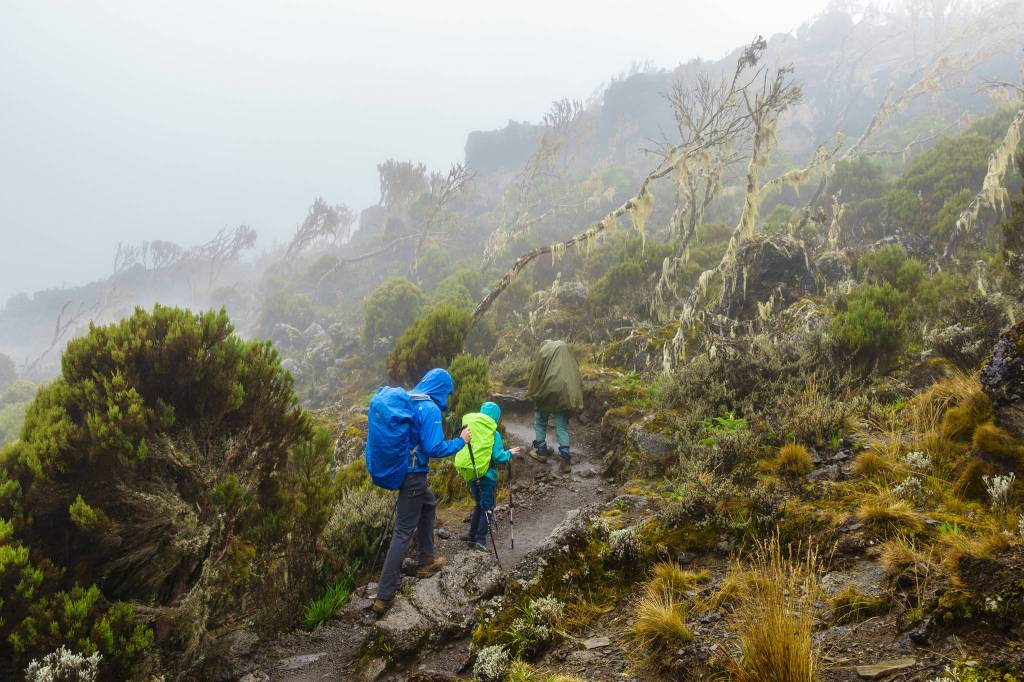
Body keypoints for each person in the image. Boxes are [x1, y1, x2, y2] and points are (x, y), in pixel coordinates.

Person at [372, 368, 471, 616]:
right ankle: (384, 597)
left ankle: (426, 559)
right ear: (440, 387)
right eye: (447, 391)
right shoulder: (430, 409)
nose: (447, 397)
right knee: (403, 531)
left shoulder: (408, 399)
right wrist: (461, 441)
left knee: (428, 504)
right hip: (414, 476)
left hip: (401, 471)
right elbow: (434, 448)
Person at [465, 401, 521, 552]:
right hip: (487, 477)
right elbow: (498, 457)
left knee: (479, 504)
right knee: (488, 507)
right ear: (496, 417)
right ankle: (481, 539)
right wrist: (509, 453)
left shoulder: (470, 429)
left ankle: (471, 537)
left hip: (472, 474)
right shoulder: (493, 433)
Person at [526, 340, 583, 475]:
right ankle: (565, 461)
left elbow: (536, 374)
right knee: (561, 427)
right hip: (567, 391)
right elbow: (576, 374)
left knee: (540, 419)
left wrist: (532, 393)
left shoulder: (544, 349)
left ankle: (541, 452)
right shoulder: (568, 350)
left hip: (548, 390)